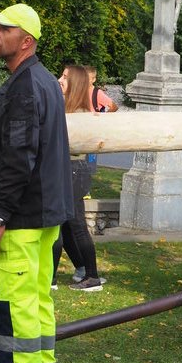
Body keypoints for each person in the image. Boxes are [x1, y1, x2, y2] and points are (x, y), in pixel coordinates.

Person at [0, 3, 73, 363]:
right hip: (45, 216)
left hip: (21, 218)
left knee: (13, 307)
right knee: (36, 302)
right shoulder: (45, 80)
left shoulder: (23, 88)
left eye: (5, 28)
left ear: (26, 41)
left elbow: (18, 159)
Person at [54, 65, 104, 291]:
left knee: (71, 225)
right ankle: (84, 271)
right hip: (70, 170)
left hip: (73, 171)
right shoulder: (67, 108)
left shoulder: (78, 114)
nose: (59, 79)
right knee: (66, 225)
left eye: (65, 77)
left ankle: (90, 276)